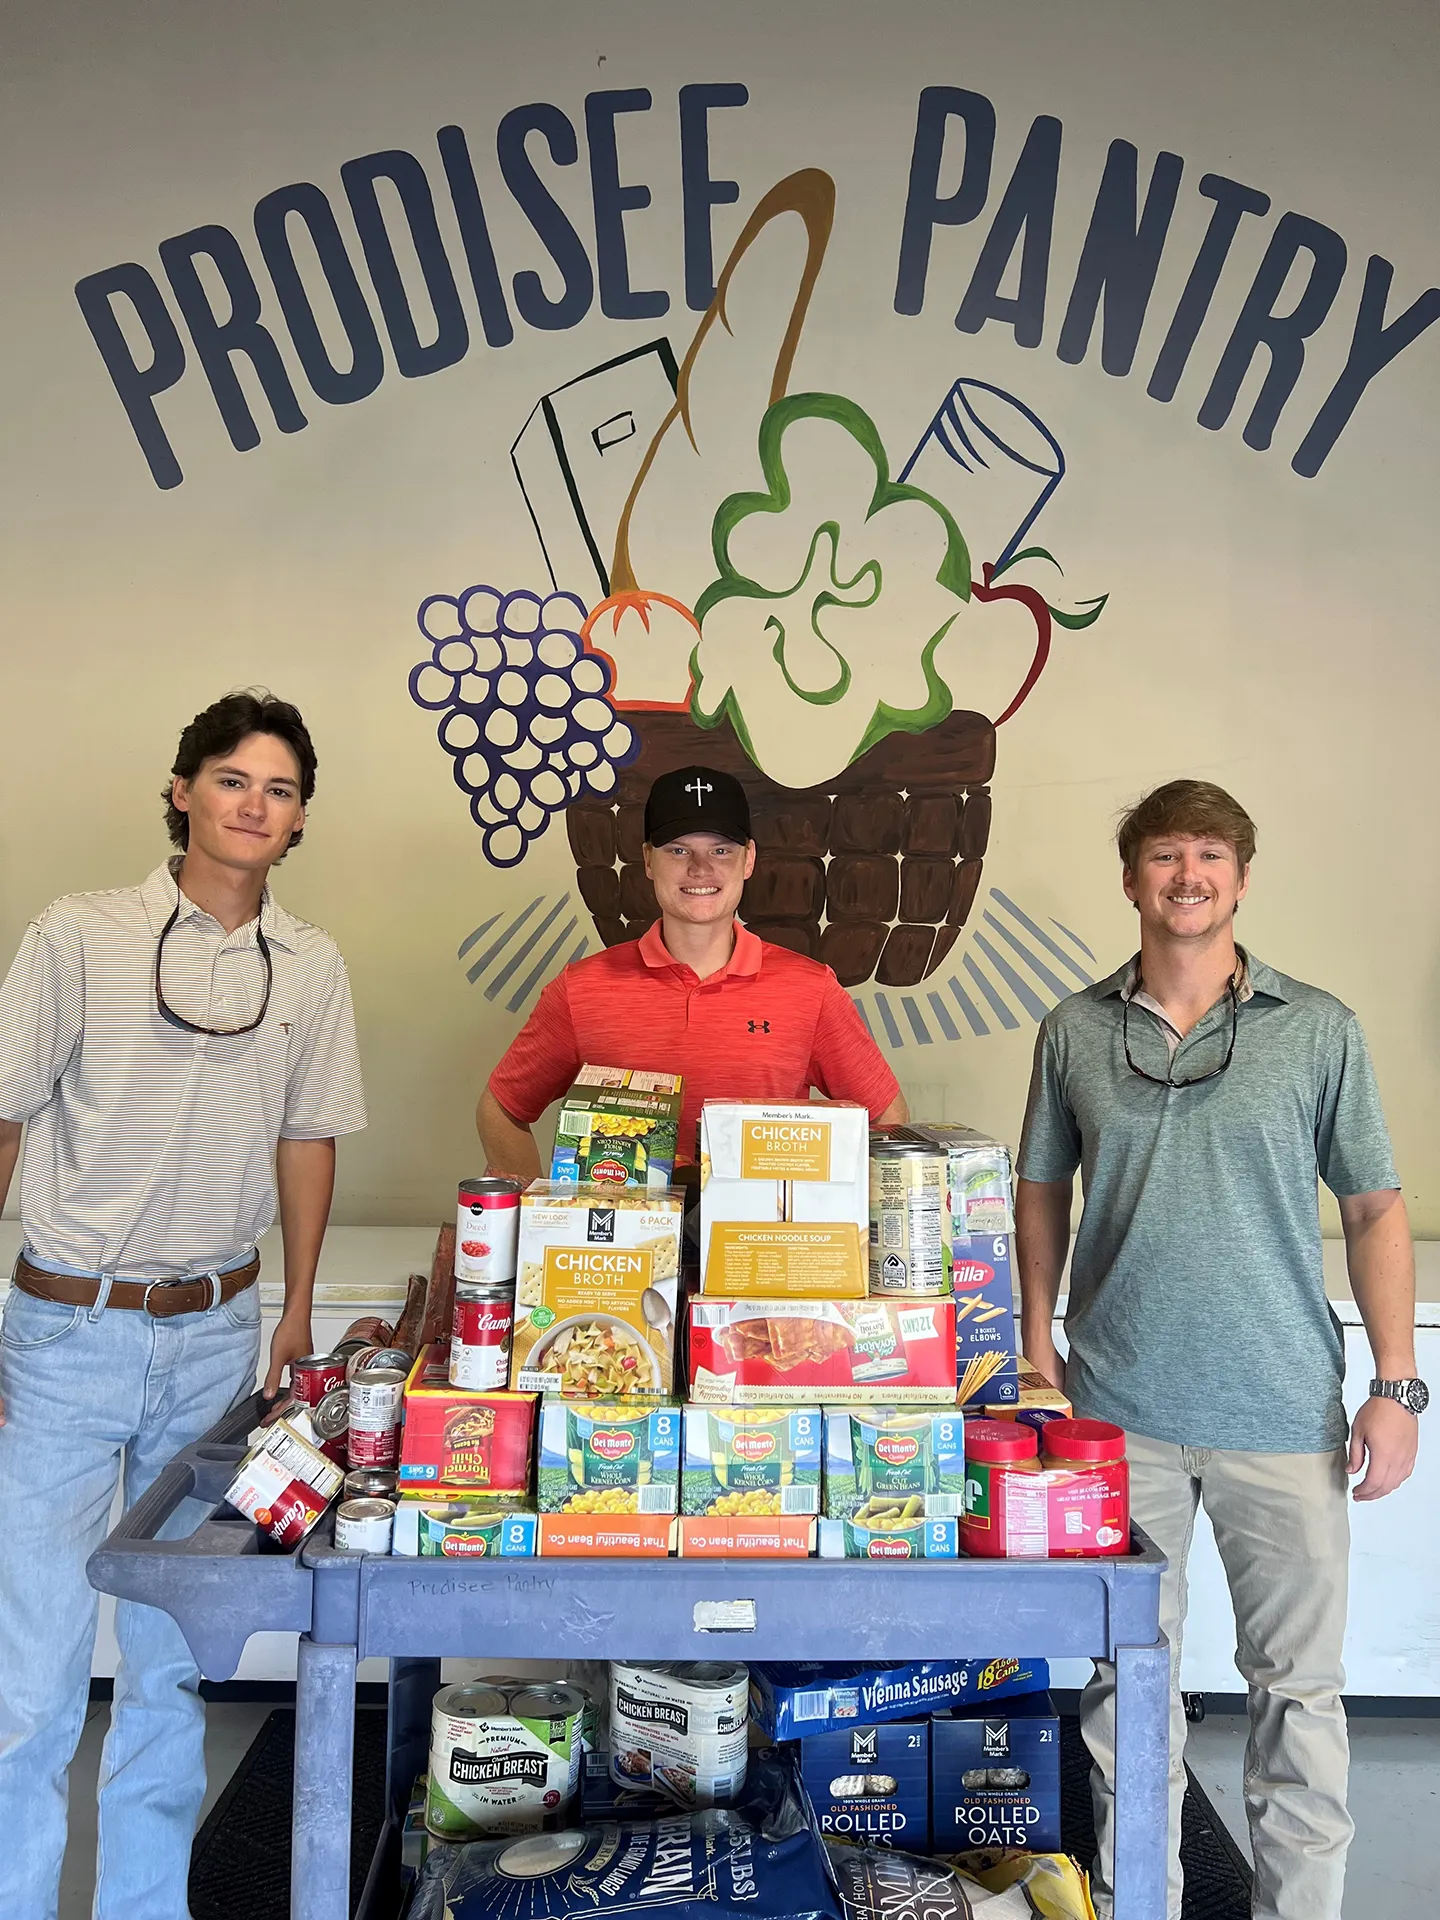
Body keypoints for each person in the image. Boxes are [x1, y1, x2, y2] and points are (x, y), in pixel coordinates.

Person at [1014, 779, 1422, 1920]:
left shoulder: (1319, 1028)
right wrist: (1038, 1347)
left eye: (1207, 855)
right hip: (1115, 1413)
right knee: (1123, 1699)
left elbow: (1376, 1209)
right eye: (1162, 855)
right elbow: (1040, 1189)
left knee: (1301, 1698)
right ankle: (1146, 1903)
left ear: (1241, 878)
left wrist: (1396, 1387)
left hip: (1283, 1416)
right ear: (1132, 876)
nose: (1185, 876)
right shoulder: (1075, 1030)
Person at [0, 691, 367, 1920]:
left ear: (299, 817)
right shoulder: (78, 935)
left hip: (216, 1332)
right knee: (31, 1681)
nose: (253, 805)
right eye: (229, 780)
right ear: (181, 791)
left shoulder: (309, 968)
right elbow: (4, 1114)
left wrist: (299, 1303)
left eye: (278, 789)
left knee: (166, 1675)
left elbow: (309, 1136)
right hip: (62, 1332)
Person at [480, 765, 907, 1177]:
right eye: (678, 850)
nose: (700, 868)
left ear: (748, 860)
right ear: (648, 861)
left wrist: (831, 1217)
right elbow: (500, 1108)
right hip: (625, 1247)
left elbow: (887, 1118)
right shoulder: (580, 989)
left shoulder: (811, 990)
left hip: (760, 1246)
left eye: (721, 850)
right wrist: (537, 1213)